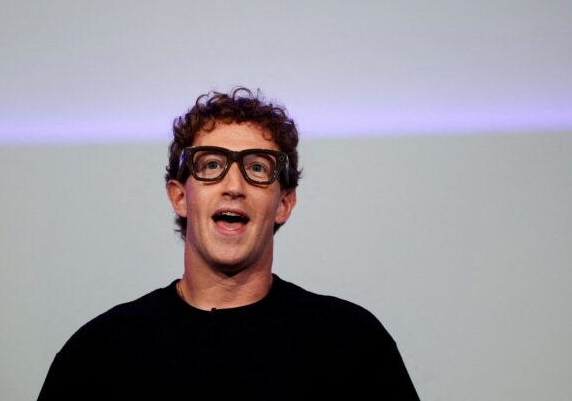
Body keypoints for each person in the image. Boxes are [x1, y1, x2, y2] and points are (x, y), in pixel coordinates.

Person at [37, 88, 420, 400]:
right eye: (211, 166)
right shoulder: (99, 353)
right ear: (179, 197)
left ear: (284, 204)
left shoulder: (351, 344)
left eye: (257, 168)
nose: (234, 186)